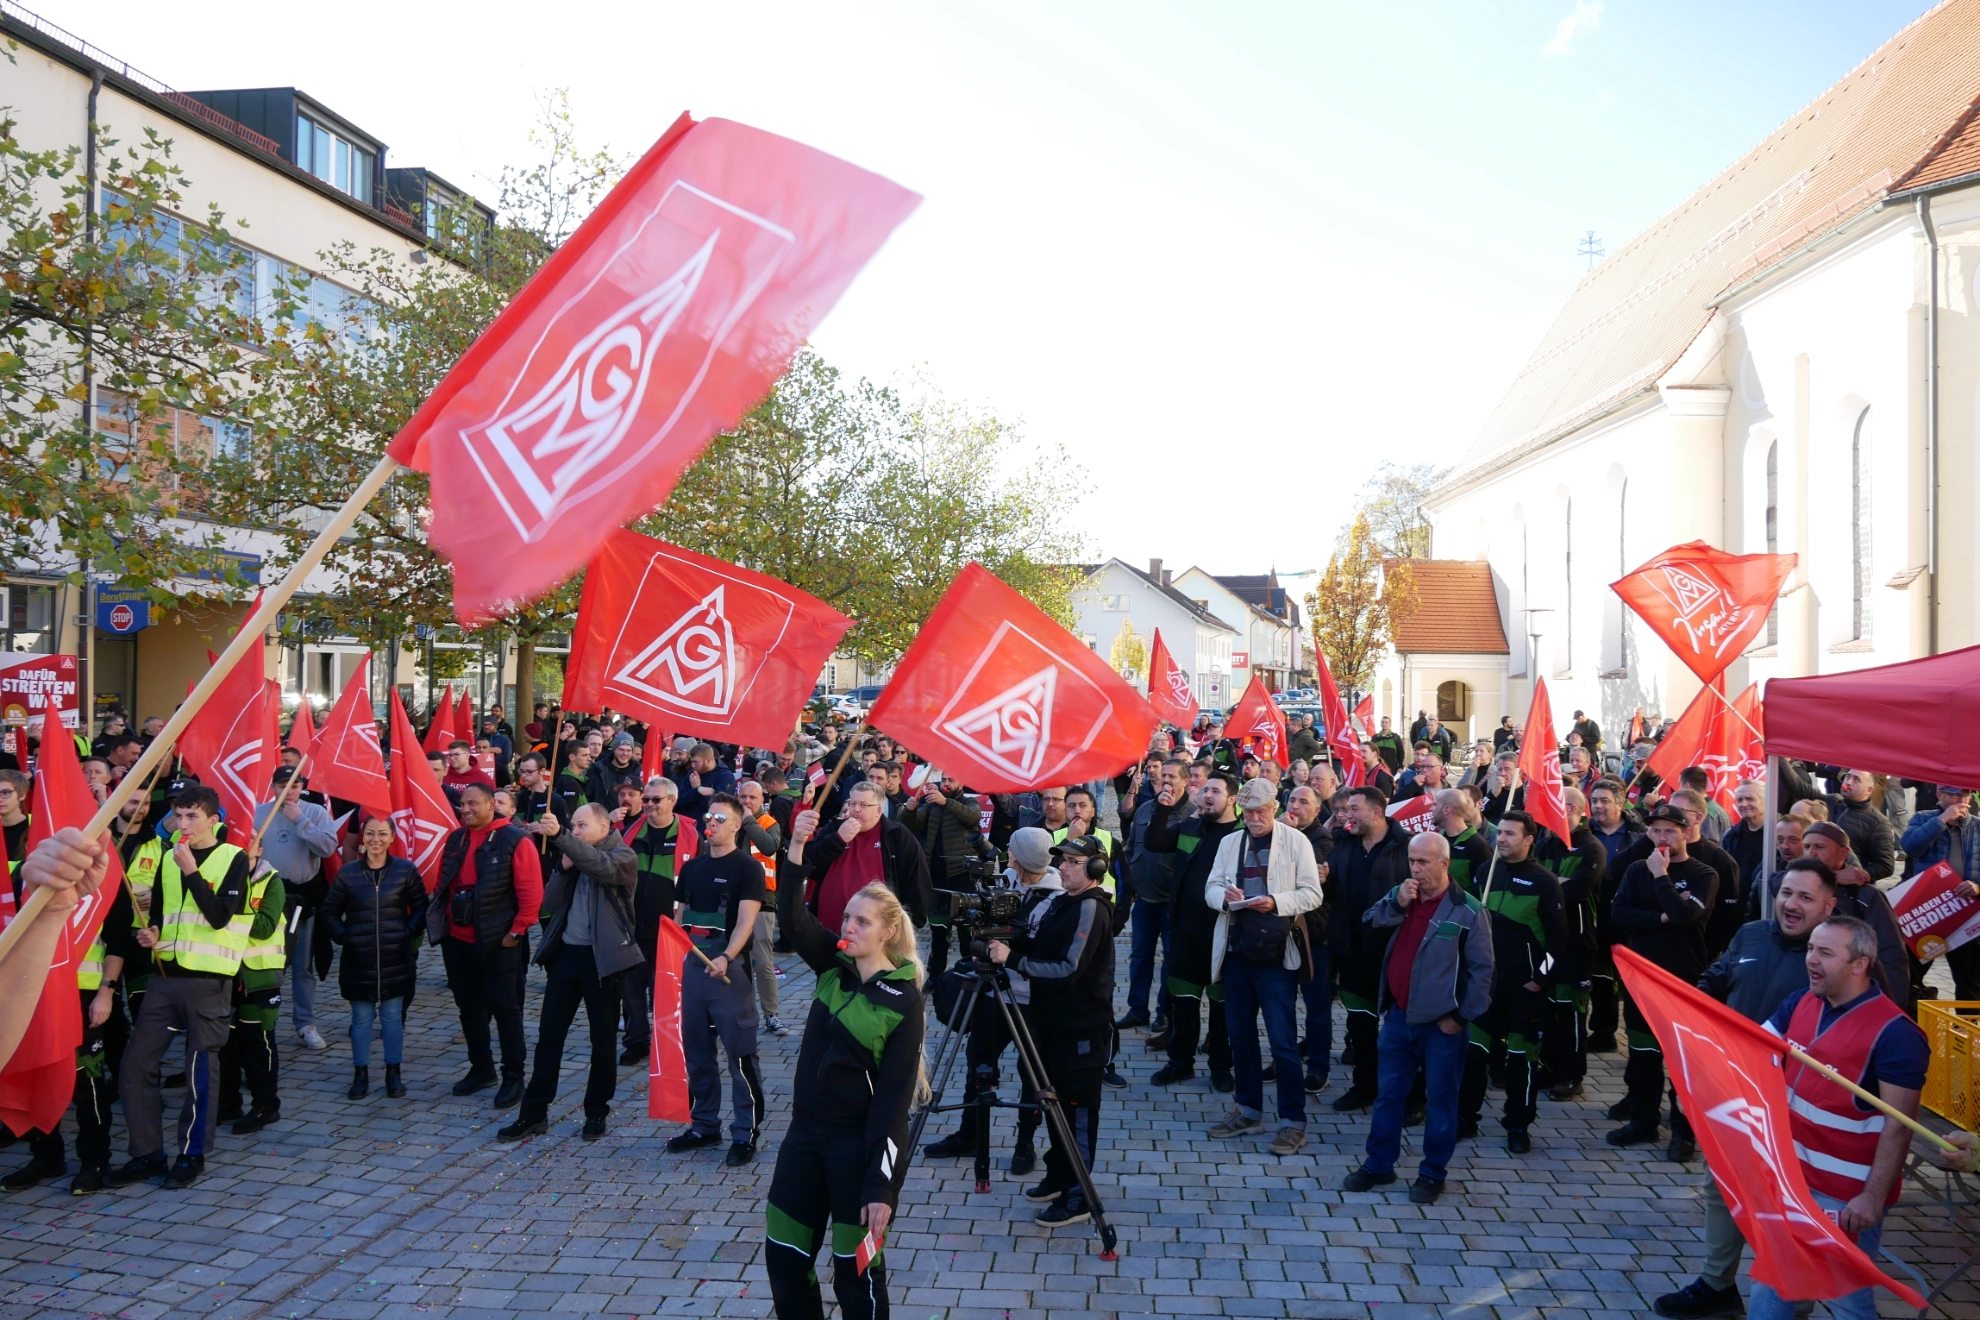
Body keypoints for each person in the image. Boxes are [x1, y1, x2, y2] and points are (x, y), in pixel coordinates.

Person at [1654, 857, 1840, 1318]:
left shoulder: (1833, 956)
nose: (1791, 904)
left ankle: (1793, 1299)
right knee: (1722, 1185)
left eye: (1805, 897)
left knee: (1789, 1200)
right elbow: (1716, 979)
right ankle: (1718, 1284)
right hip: (1735, 1086)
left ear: (1828, 906)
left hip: (1796, 1101)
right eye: (1785, 894)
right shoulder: (1752, 933)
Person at [768, 808, 926, 1320]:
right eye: (846, 917)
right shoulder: (832, 969)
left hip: (856, 1152)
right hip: (803, 1140)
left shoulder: (904, 999)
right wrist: (795, 846)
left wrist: (882, 1187)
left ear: (886, 932)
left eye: (861, 921)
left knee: (854, 1276)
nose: (848, 926)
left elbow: (894, 1103)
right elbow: (791, 917)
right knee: (786, 1260)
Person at [1743, 916, 1929, 1320]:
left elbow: (1899, 1126)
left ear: (1859, 964)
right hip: (1792, 1179)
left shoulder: (1897, 1035)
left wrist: (1873, 1197)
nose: (1811, 958)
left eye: (1825, 952)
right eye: (1811, 948)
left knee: (1846, 1298)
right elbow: (1751, 1049)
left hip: (1844, 1197)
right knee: (1775, 1279)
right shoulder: (1799, 1002)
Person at [107, 786, 252, 1190]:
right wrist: (151, 934)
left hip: (208, 982)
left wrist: (192, 870)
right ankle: (147, 1153)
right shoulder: (169, 858)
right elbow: (160, 915)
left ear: (212, 819)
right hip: (165, 978)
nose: (182, 825)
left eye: (191, 816)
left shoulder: (233, 857)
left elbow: (220, 916)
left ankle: (191, 1155)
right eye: (178, 816)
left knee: (198, 1071)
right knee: (136, 1064)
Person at [1342, 831, 1493, 1204]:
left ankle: (1432, 1172)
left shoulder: (1468, 910)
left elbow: (1483, 972)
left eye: (1424, 862)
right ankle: (1379, 1165)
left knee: (1441, 1100)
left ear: (1445, 864)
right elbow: (1369, 920)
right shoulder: (1403, 895)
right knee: (1389, 1095)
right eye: (1412, 861)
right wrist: (1396, 902)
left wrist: (1460, 1016)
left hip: (1442, 1026)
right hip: (1398, 1018)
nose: (1416, 869)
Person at [988, 832, 1115, 1226]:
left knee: (1077, 1116)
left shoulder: (1092, 908)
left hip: (1081, 1030)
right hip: (1054, 1027)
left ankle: (1078, 1197)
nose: (1062, 867)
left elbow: (1067, 970)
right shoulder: (1063, 901)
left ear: (1095, 867)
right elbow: (1036, 943)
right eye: (1061, 860)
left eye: (1073, 862)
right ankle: (1059, 1177)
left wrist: (1013, 960)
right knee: (1056, 1106)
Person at [502, 802, 642, 1143]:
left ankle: (596, 1111)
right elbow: (548, 902)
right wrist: (563, 869)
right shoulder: (575, 854)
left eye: (581, 826)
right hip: (567, 956)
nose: (575, 831)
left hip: (603, 961)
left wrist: (564, 839)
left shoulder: (622, 855)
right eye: (573, 826)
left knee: (602, 1041)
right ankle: (533, 1113)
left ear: (604, 827)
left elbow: (600, 867)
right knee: (549, 1037)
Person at [1202, 780, 1323, 1155]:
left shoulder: (1296, 841)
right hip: (1237, 950)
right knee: (1240, 1036)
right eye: (1248, 812)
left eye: (1261, 811)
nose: (1254, 819)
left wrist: (1274, 901)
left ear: (1276, 807)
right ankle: (1248, 1109)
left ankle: (1292, 1121)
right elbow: (1210, 888)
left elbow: (1313, 893)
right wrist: (1226, 897)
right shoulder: (1229, 843)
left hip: (1275, 954)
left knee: (1283, 1041)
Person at [1606, 804, 1719, 1157]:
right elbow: (1619, 913)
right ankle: (1643, 1121)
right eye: (1655, 831)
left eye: (1670, 830)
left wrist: (1662, 878)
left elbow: (1686, 916)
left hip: (1683, 979)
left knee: (1683, 1060)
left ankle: (1683, 1131)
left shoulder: (1704, 874)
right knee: (1642, 1055)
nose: (1661, 838)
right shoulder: (1638, 869)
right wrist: (1661, 915)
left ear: (1686, 832)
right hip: (1641, 977)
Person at [664, 794, 768, 1164]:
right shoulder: (692, 869)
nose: (711, 822)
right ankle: (704, 1125)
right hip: (692, 971)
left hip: (729, 973)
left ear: (737, 825)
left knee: (740, 1057)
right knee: (697, 1054)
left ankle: (745, 1133)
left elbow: (745, 921)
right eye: (708, 816)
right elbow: (677, 922)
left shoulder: (747, 869)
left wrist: (726, 956)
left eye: (720, 818)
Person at [429, 782, 542, 1109]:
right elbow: (442, 883)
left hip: (499, 942)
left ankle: (513, 1077)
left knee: (506, 1010)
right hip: (458, 942)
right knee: (469, 1008)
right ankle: (482, 1069)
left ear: (493, 804)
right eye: (463, 804)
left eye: (473, 804)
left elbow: (531, 894)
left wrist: (515, 933)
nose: (466, 809)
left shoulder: (515, 840)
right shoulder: (456, 838)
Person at [1456, 812, 1564, 1154]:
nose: (1500, 839)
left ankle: (1518, 1124)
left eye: (1509, 834)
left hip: (1523, 990)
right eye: (1499, 832)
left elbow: (1559, 941)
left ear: (1529, 839)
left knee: (1521, 1059)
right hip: (1484, 986)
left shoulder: (1544, 882)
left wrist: (1539, 980)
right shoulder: (1486, 871)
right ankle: (1465, 1117)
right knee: (1474, 1055)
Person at [1143, 769, 1241, 1091]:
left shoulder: (1242, 835)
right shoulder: (1191, 825)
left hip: (1224, 934)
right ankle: (1180, 1062)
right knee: (1183, 1000)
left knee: (1221, 1005)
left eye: (1216, 790)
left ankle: (1221, 1066)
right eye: (1205, 789)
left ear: (1233, 799)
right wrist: (1162, 808)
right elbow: (1155, 841)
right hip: (1185, 931)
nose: (1208, 795)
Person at [320, 816, 427, 1101]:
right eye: (369, 833)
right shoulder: (348, 873)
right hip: (359, 960)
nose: (375, 839)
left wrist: (406, 933)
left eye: (382, 833)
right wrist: (346, 937)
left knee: (392, 1018)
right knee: (362, 1017)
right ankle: (361, 1073)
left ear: (392, 837)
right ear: (362, 838)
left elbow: (420, 907)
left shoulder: (405, 870)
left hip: (396, 958)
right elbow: (329, 912)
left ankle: (394, 1071)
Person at [1329, 785, 1412, 1111]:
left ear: (1376, 812)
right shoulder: (1343, 846)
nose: (1346, 815)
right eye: (1345, 809)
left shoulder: (1404, 848)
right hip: (1352, 950)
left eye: (1353, 809)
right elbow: (1332, 891)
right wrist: (1325, 879)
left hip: (1393, 953)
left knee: (1402, 1030)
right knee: (1360, 1024)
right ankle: (1364, 1086)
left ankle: (1409, 1094)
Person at [250, 768, 340, 1055]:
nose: (288, 792)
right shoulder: (258, 813)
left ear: (301, 787)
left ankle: (305, 1023)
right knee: (265, 964)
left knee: (302, 966)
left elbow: (328, 848)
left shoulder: (314, 812)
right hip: (266, 900)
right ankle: (263, 1020)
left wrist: (300, 820)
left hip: (302, 900)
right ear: (273, 787)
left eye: (294, 785)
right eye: (282, 785)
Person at [1539, 787, 1607, 1101]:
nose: (1558, 811)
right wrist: (1555, 884)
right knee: (1550, 1010)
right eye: (1554, 805)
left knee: (1571, 1012)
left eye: (1564, 806)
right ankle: (1551, 1067)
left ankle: (1572, 1074)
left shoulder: (1592, 848)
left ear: (1580, 810)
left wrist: (1552, 886)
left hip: (1577, 944)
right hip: (1546, 942)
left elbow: (1575, 892)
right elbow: (1537, 886)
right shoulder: (1547, 843)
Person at [215, 847, 287, 1136]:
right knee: (226, 1045)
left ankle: (266, 1106)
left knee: (258, 1044)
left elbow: (265, 927)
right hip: (226, 971)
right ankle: (228, 1102)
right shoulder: (222, 876)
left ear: (259, 849)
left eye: (249, 845)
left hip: (260, 976)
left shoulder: (271, 881)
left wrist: (228, 912)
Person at [1798, 822, 1909, 1009]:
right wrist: (1833, 877)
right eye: (1807, 847)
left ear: (1843, 853)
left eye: (1819, 847)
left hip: (1852, 1002)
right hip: (1804, 1000)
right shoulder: (1792, 887)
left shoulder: (1866, 896)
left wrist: (1890, 1007)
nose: (1811, 853)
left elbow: (1891, 954)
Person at [798, 780, 931, 934]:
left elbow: (916, 879)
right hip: (828, 929)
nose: (856, 809)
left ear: (878, 810)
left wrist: (909, 925)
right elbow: (807, 863)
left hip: (875, 935)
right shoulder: (835, 828)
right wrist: (837, 840)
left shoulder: (896, 835)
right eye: (852, 803)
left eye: (863, 805)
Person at [1119, 758, 1188, 1033]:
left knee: (1170, 960)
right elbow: (1132, 847)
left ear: (1185, 780)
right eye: (1163, 775)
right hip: (1144, 901)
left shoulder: (1191, 815)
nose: (1166, 780)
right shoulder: (1146, 808)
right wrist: (1130, 880)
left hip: (1173, 904)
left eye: (1173, 775)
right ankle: (1137, 1010)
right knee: (1139, 956)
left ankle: (1164, 1012)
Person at [900, 769, 982, 981]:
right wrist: (909, 811)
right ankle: (935, 977)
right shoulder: (932, 805)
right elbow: (914, 825)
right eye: (943, 779)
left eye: (951, 780)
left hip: (962, 877)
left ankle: (969, 974)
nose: (946, 783)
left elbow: (973, 817)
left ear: (961, 783)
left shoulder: (968, 803)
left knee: (966, 932)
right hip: (936, 878)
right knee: (938, 932)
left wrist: (946, 802)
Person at [1899, 785, 1980, 999]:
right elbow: (1909, 847)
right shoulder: (1923, 818)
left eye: (1965, 795)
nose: (1961, 800)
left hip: (1965, 913)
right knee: (1910, 975)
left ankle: (1964, 1030)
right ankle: (1909, 1020)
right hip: (1929, 911)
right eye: (1954, 795)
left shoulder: (1977, 827)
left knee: (1969, 981)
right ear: (1939, 795)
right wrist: (1941, 820)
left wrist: (1977, 887)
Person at [1283, 783, 1335, 1092]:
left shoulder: (1322, 838)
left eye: (1304, 802)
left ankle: (1318, 1066)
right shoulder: (1279, 833)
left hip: (1313, 934)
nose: (1296, 805)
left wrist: (1288, 836)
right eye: (1292, 799)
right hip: (1282, 934)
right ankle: (1284, 1060)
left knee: (1316, 1006)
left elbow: (1298, 872)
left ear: (1316, 811)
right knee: (1282, 1004)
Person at [736, 779, 788, 1034]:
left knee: (762, 961)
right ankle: (738, 1012)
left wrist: (748, 821)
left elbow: (769, 846)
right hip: (732, 899)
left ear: (761, 800)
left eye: (752, 798)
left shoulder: (769, 823)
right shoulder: (729, 821)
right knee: (733, 960)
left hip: (761, 900)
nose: (746, 802)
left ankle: (771, 1015)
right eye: (742, 797)